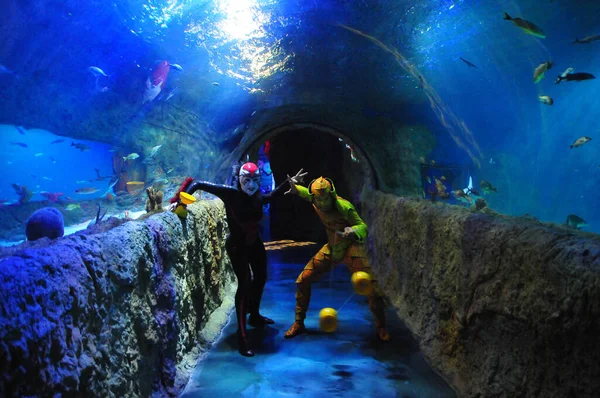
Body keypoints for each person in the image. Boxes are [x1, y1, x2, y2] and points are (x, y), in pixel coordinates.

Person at [170, 163, 306, 357]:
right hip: (237, 245)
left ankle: (255, 316)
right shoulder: (231, 194)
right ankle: (242, 336)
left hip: (254, 243)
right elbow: (197, 182)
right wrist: (182, 202)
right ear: (239, 180)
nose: (251, 185)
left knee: (261, 277)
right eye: (247, 180)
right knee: (245, 283)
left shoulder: (258, 195)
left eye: (255, 180)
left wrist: (288, 183)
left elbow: (272, 196)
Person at [283, 176, 391, 342]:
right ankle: (298, 323)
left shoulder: (343, 206)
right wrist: (296, 189)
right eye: (317, 198)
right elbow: (307, 194)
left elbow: (363, 226)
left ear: (331, 195)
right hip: (332, 248)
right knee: (303, 280)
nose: (321, 202)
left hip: (351, 249)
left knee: (371, 288)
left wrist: (352, 230)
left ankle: (381, 327)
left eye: (324, 198)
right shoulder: (314, 200)